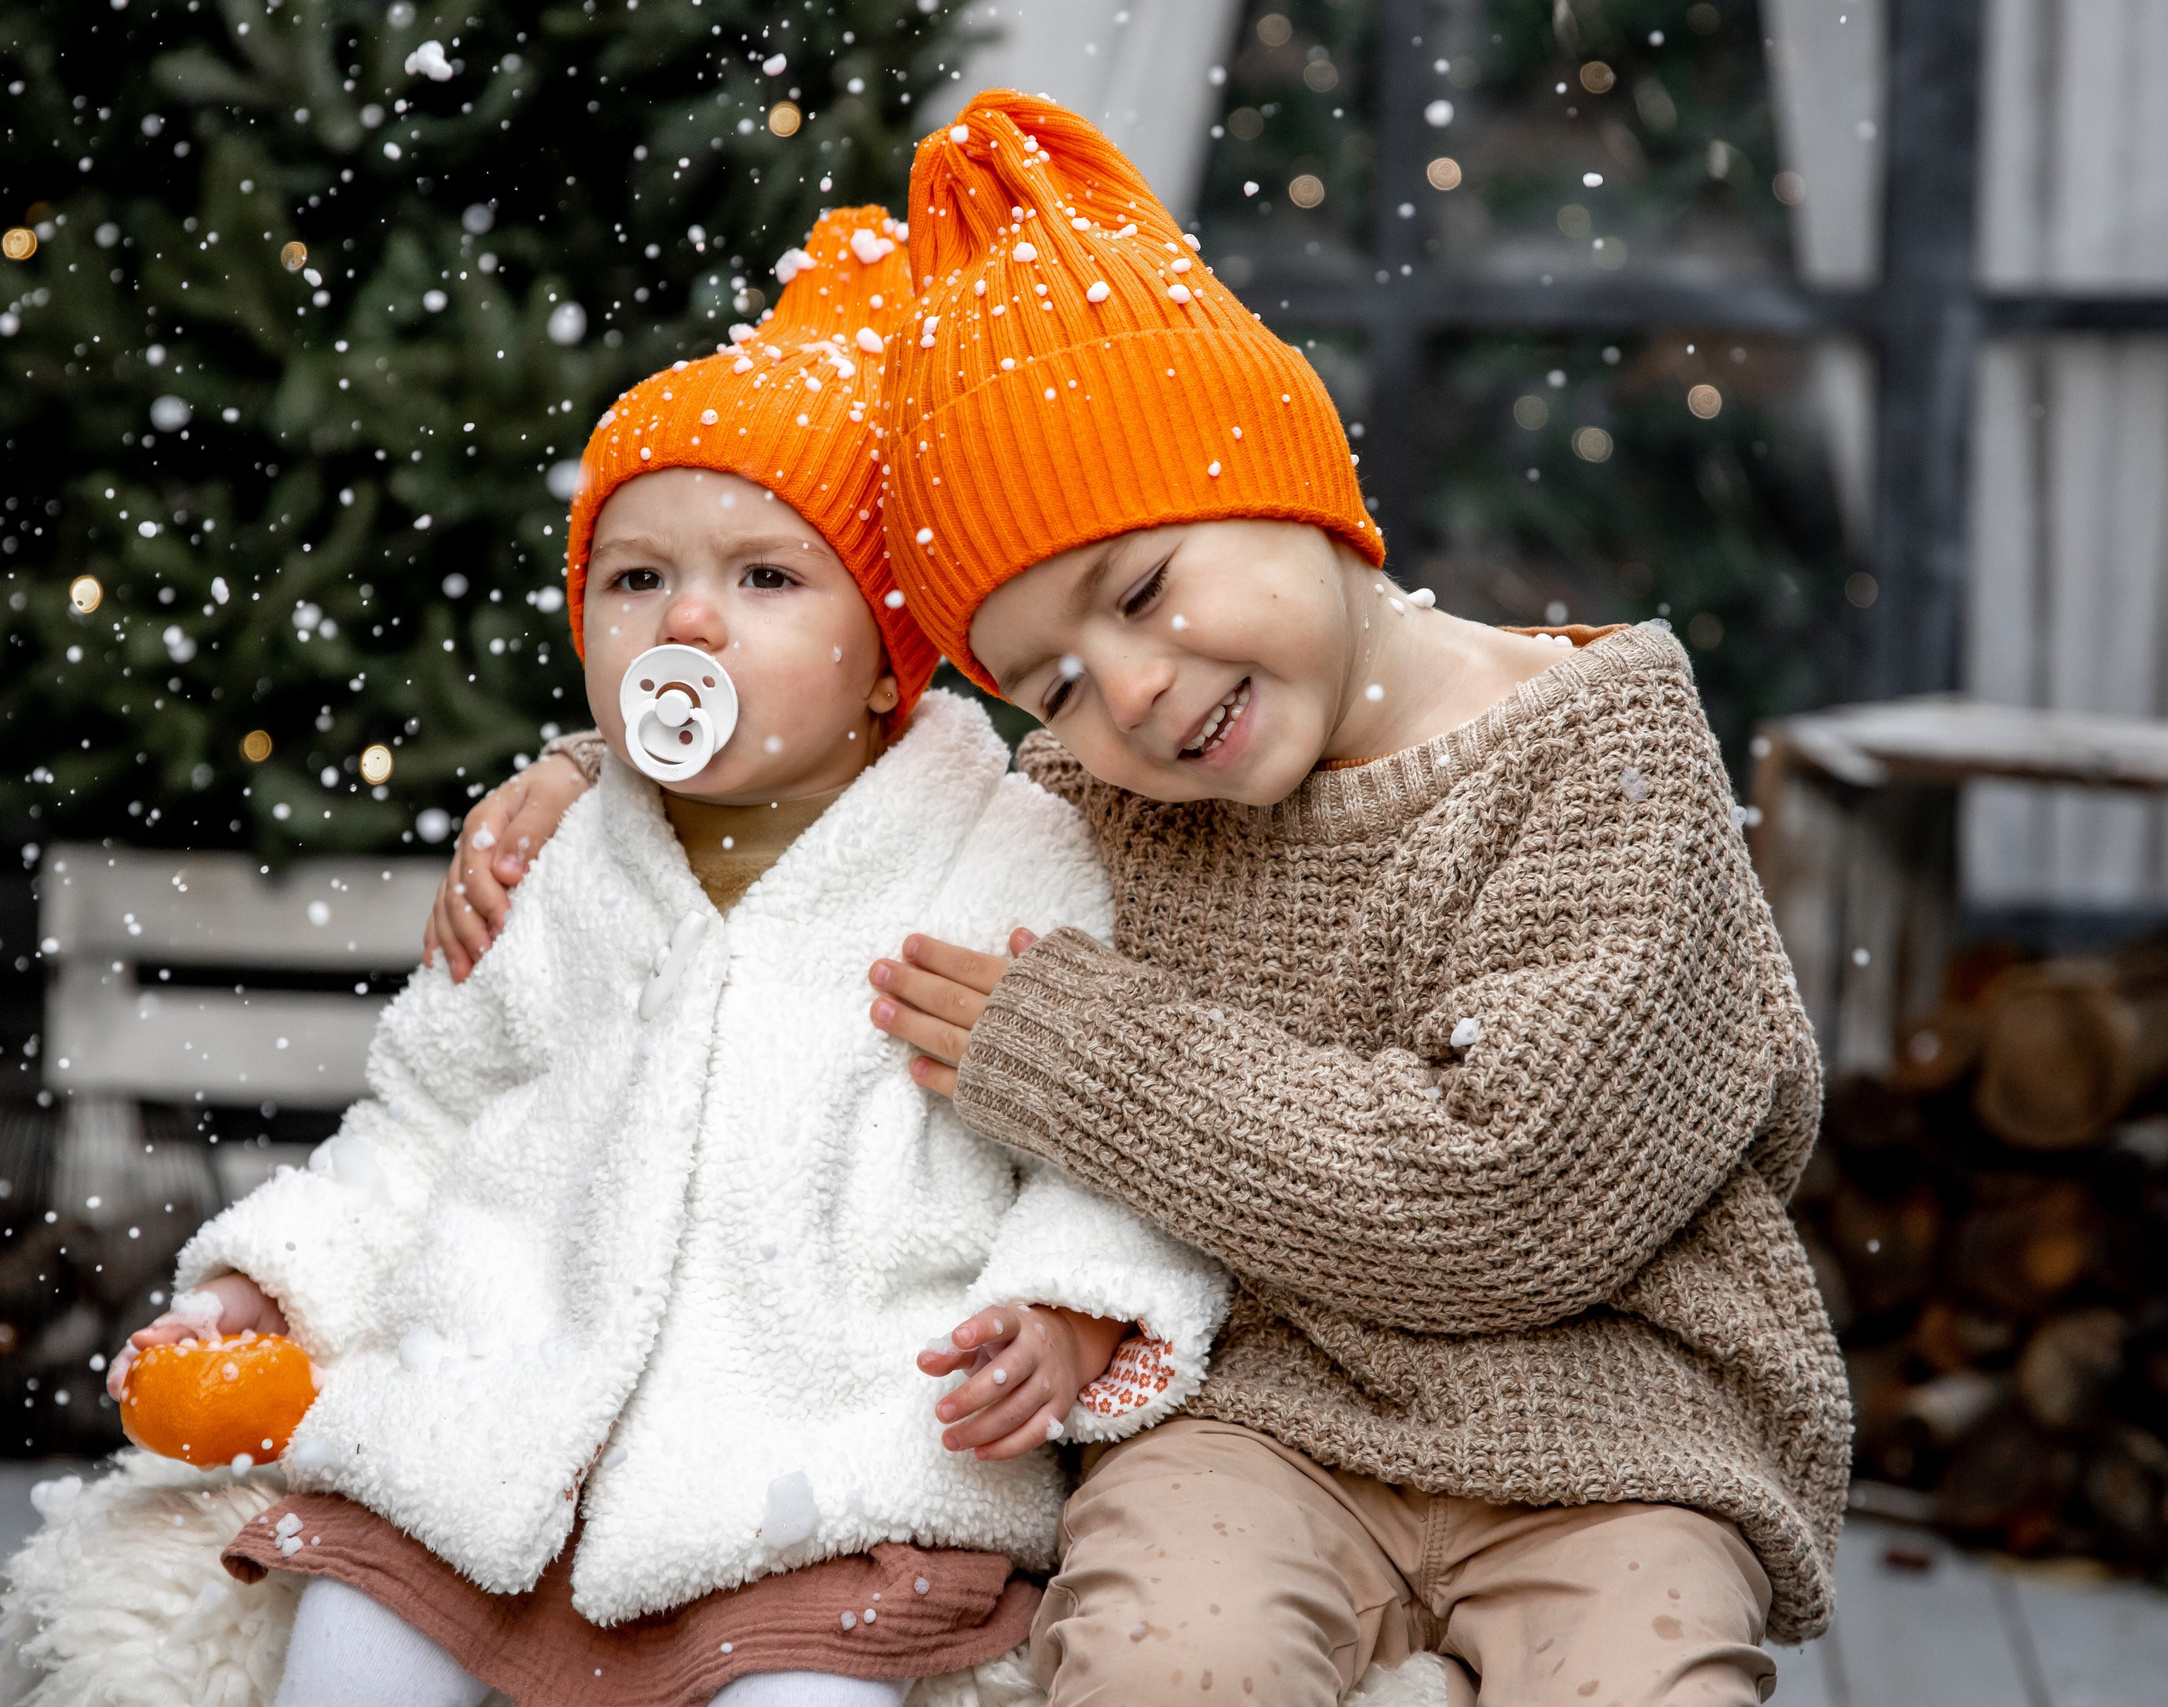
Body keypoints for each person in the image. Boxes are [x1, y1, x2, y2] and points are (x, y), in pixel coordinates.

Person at [426, 96, 1851, 1707]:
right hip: (1251, 1431)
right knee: (1155, 1664)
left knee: (1640, 1682)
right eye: (1050, 682)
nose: (1137, 692)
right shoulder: (1106, 796)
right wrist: (600, 780)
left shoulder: (1607, 762)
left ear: (1297, 486)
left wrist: (1089, 1060)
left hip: (1618, 1441)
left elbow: (1507, 1195)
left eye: (1145, 588)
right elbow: (850, 809)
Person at [75, 207, 1229, 1707]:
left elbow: (1107, 1135)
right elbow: (422, 1123)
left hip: (826, 1455)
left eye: (765, 579)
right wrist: (270, 1296)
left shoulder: (1004, 856)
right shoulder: (552, 860)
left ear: (889, 653)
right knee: (350, 1661)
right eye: (634, 581)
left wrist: (1071, 1315)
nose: (687, 617)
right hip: (504, 1430)